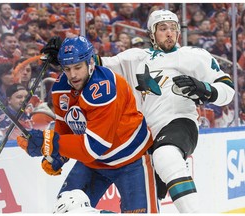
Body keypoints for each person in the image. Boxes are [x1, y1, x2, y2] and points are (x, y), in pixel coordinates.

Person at [95, 9, 235, 212]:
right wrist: (67, 56)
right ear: (152, 33)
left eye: (173, 28)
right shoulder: (134, 58)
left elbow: (228, 90)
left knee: (166, 155)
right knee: (140, 199)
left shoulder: (193, 56)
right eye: (163, 28)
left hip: (180, 122)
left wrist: (205, 89)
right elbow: (95, 66)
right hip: (144, 135)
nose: (169, 33)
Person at [17, 36, 158, 213]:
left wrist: (49, 143)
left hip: (131, 159)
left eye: (78, 67)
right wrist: (57, 156)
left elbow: (95, 146)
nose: (73, 75)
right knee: (65, 210)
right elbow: (66, 128)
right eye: (67, 69)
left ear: (90, 62)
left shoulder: (104, 87)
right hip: (93, 163)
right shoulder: (61, 88)